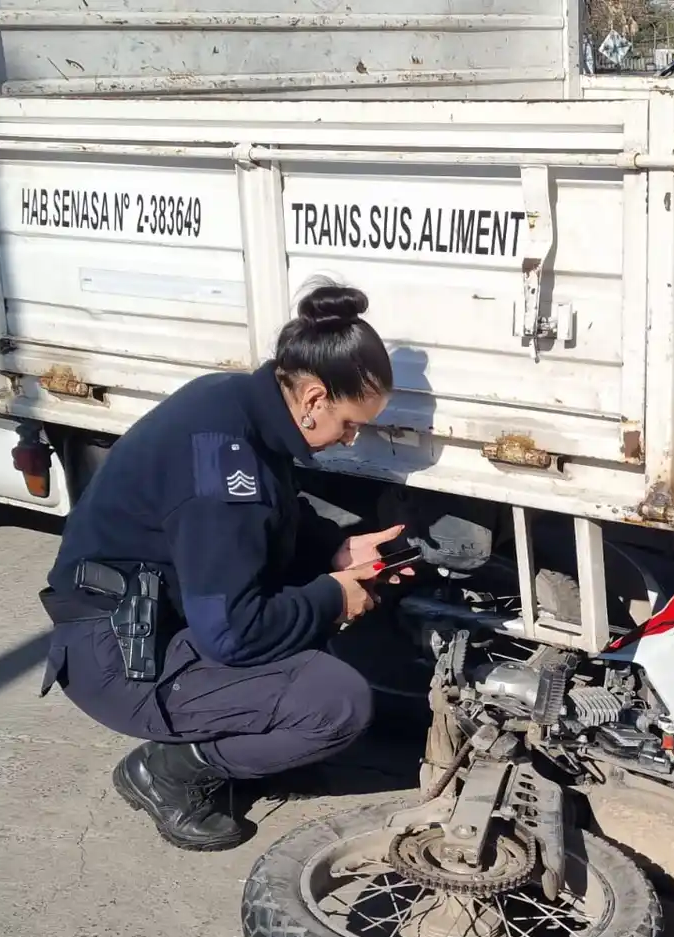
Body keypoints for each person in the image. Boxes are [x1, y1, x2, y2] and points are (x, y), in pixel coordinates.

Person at [38, 281, 407, 851]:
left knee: (306, 619)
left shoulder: (233, 401)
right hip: (121, 657)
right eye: (350, 423)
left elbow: (268, 523)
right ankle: (168, 770)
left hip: (155, 614)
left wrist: (336, 550)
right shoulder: (225, 485)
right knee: (338, 702)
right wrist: (334, 596)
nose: (351, 439)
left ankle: (252, 748)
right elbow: (235, 632)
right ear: (312, 399)